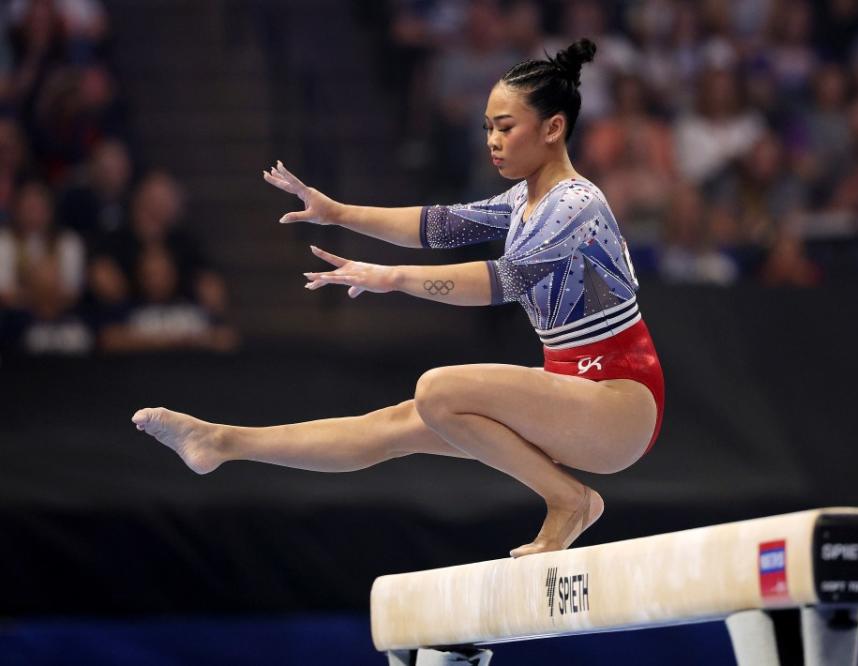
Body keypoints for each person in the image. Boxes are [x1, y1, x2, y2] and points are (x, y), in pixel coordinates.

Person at [132, 39, 665, 558]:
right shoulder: (523, 201)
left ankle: (567, 499)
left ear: (553, 128)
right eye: (487, 128)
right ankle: (224, 443)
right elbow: (433, 226)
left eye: (505, 127)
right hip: (573, 396)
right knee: (391, 428)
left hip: (619, 403)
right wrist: (338, 211)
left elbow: (502, 281)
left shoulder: (575, 203)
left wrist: (395, 278)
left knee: (438, 390)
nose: (492, 141)